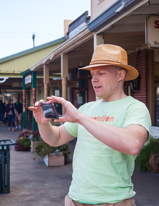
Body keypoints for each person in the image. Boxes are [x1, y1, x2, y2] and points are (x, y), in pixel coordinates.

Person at [29, 44, 151, 206]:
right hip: (74, 199)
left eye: (101, 73)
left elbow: (132, 144)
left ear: (120, 75)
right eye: (92, 74)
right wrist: (43, 123)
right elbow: (56, 138)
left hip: (113, 202)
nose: (94, 79)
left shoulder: (134, 107)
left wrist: (80, 117)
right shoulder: (87, 108)